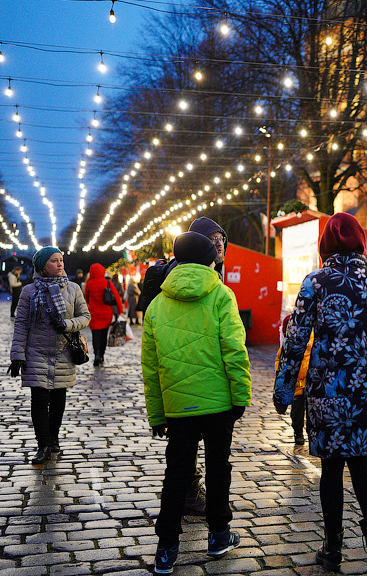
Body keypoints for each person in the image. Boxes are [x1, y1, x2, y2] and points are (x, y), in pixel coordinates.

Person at [274, 212, 367, 572]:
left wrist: (284, 392)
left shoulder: (315, 282)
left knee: (331, 467)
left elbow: (295, 342)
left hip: (326, 390)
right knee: (362, 460)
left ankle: (332, 548)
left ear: (325, 245)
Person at [142, 231, 251, 575]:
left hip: (177, 407)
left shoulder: (158, 304)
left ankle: (166, 550)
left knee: (176, 475)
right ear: (210, 260)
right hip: (218, 403)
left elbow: (150, 366)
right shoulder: (221, 294)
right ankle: (219, 535)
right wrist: (240, 397)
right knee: (219, 470)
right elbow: (234, 350)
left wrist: (157, 413)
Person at [9, 247, 91, 464]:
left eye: (61, 260)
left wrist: (67, 324)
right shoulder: (29, 292)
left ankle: (54, 438)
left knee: (58, 399)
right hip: (36, 353)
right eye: (54, 261)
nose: (60, 264)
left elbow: (85, 316)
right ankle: (43, 444)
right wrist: (17, 354)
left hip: (63, 352)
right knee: (39, 400)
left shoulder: (73, 289)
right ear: (43, 266)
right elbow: (21, 325)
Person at [275, 315, 311, 446]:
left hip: (310, 383)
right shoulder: (287, 345)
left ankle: (311, 434)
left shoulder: (311, 340)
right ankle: (298, 433)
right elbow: (279, 360)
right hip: (295, 383)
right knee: (297, 413)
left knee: (312, 413)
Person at [84, 264, 123, 367]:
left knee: (95, 335)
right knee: (104, 335)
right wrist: (120, 310)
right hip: (106, 313)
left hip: (94, 313)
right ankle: (102, 355)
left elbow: (86, 299)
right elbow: (116, 297)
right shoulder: (107, 282)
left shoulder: (89, 284)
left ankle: (96, 354)